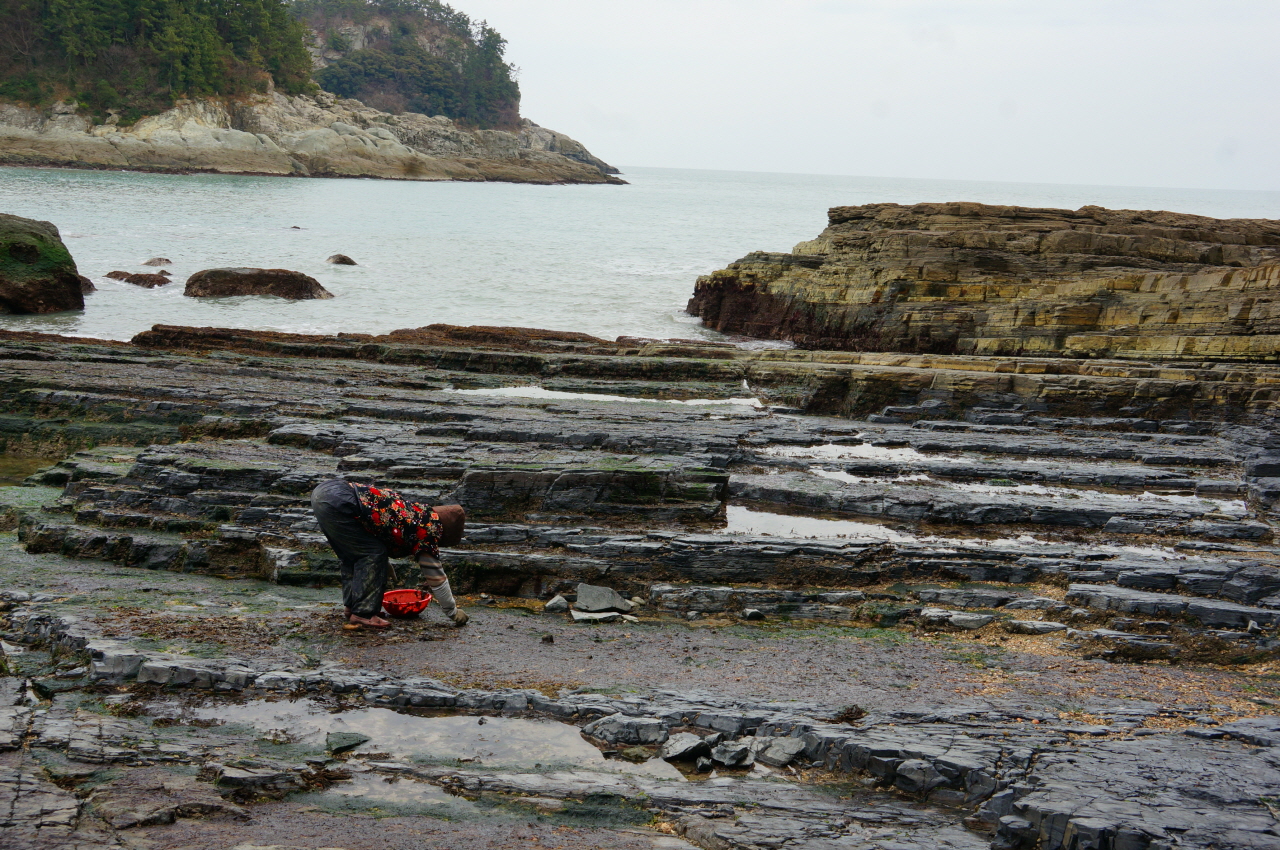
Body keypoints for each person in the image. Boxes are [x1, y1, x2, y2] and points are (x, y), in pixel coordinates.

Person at [310, 478, 469, 629]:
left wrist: (383, 563)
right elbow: (436, 577)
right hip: (340, 501)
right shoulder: (428, 530)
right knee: (371, 554)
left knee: (352, 555)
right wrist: (452, 611)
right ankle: (363, 614)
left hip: (326, 492)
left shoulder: (414, 512)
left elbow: (374, 525)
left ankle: (352, 607)